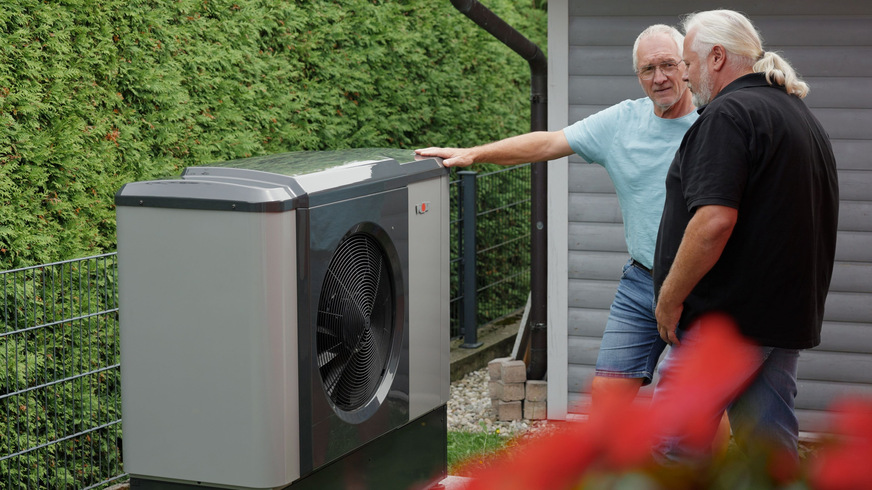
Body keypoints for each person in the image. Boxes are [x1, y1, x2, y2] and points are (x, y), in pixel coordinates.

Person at [416, 25, 697, 408]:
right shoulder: (621, 122)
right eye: (648, 69)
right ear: (638, 76)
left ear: (686, 67)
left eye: (668, 64)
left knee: (696, 404)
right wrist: (473, 153)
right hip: (642, 280)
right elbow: (547, 142)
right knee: (608, 396)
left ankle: (707, 468)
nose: (659, 77)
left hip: (701, 281)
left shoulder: (712, 124)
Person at [652, 9, 839, 463]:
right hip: (777, 322)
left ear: (716, 57)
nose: (687, 78)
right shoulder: (798, 115)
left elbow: (714, 221)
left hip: (726, 326)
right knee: (768, 459)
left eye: (688, 65)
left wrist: (669, 299)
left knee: (671, 452)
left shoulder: (728, 114)